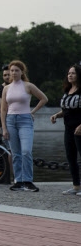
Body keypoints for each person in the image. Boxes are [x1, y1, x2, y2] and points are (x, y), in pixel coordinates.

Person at [1, 60, 48, 192]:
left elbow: (44, 98)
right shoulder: (6, 88)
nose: (14, 73)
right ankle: (18, 181)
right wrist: (4, 127)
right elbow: (4, 109)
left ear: (22, 72)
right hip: (10, 120)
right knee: (15, 153)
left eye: (16, 70)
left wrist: (32, 112)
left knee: (26, 151)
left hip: (25, 120)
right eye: (12, 70)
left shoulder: (28, 86)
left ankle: (28, 181)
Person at [51, 65, 81, 195]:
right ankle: (76, 186)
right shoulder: (68, 89)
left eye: (73, 73)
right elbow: (67, 109)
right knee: (71, 157)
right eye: (69, 73)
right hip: (68, 128)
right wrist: (57, 115)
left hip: (79, 128)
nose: (70, 75)